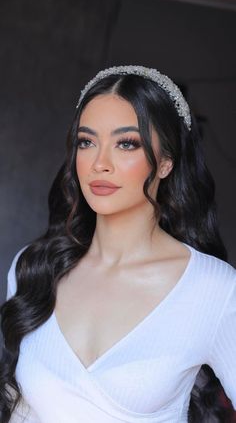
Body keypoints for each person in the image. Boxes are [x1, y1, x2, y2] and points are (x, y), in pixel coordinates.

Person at [0, 65, 235, 423]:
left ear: (166, 162)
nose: (99, 163)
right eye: (87, 142)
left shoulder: (214, 290)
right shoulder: (33, 267)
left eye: (127, 143)